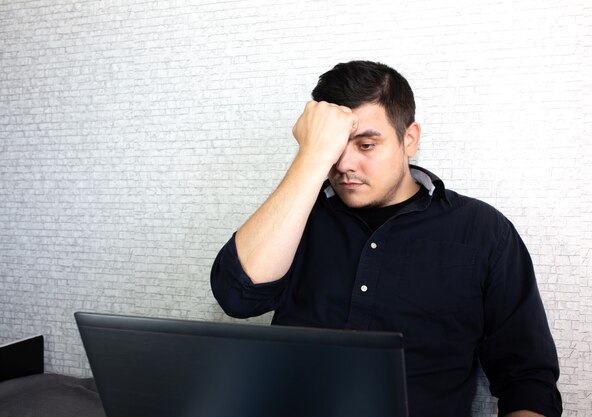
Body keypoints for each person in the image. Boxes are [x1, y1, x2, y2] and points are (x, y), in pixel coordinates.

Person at [210, 60, 562, 417]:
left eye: (365, 145)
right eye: (335, 148)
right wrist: (312, 156)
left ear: (409, 139)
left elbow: (528, 381)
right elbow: (237, 297)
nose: (345, 164)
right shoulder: (299, 218)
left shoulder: (483, 231)